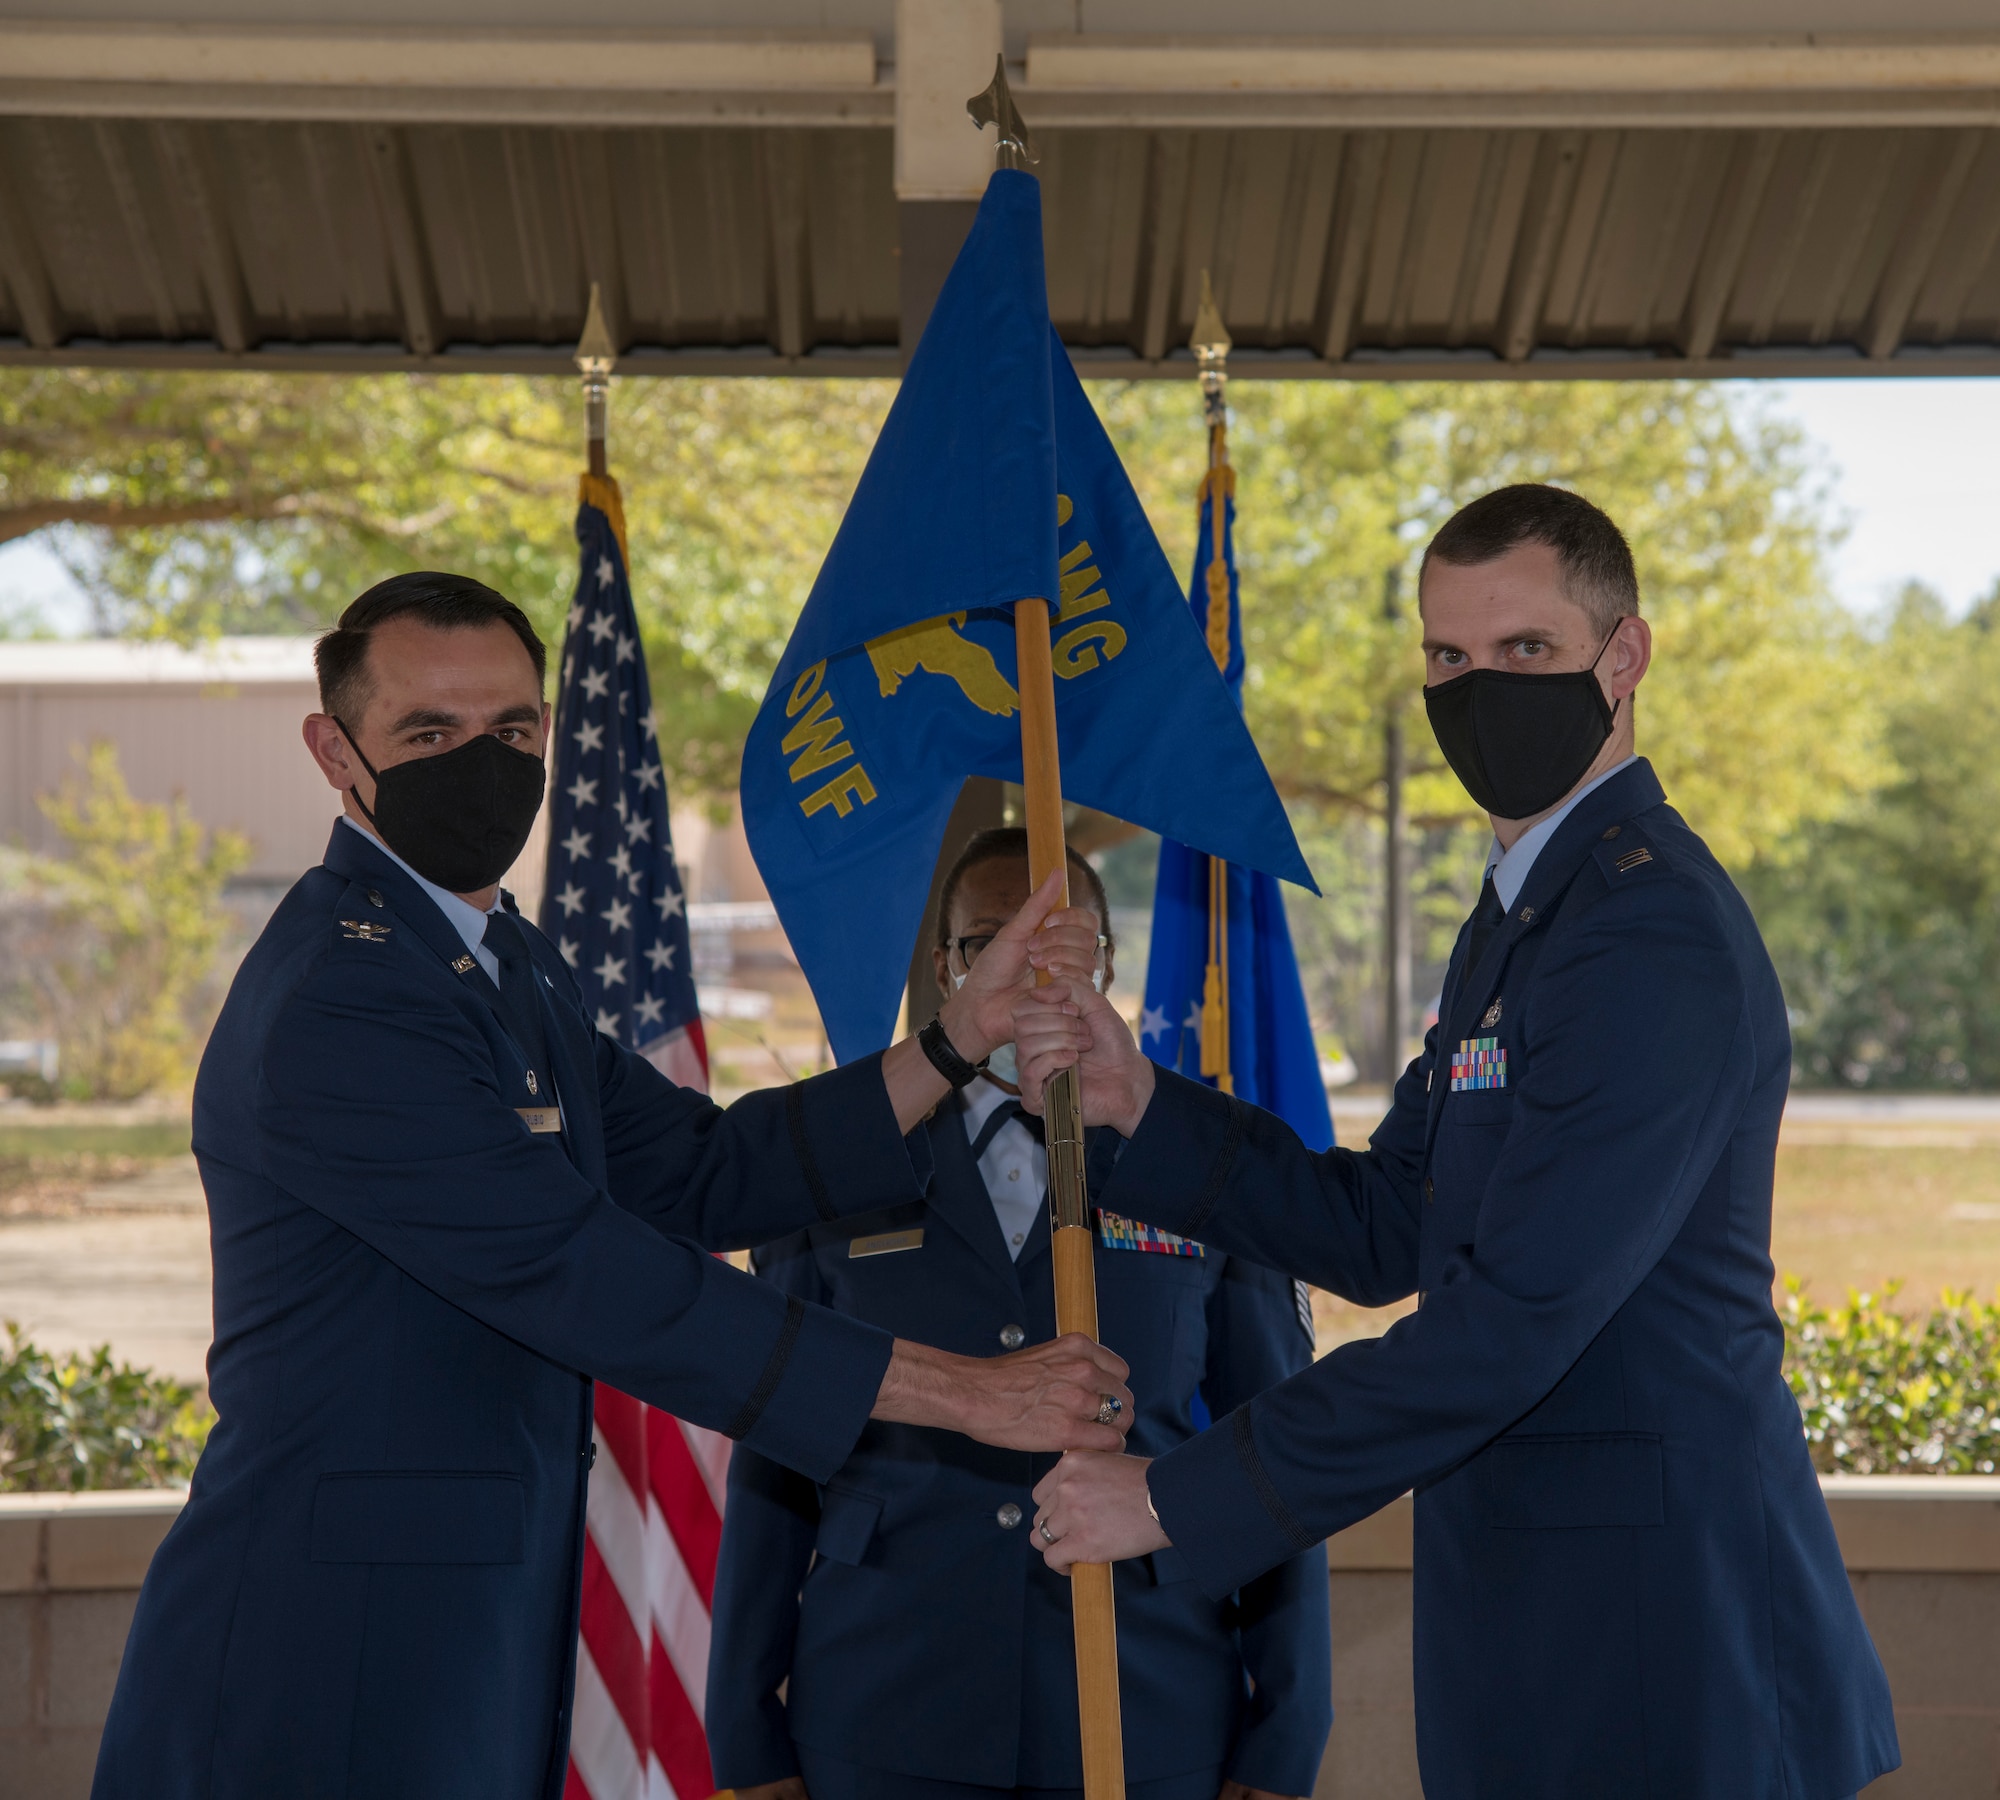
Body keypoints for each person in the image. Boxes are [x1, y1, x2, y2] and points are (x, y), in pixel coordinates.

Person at [91, 574, 1129, 1800]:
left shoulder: (500, 964)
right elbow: (583, 1274)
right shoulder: (342, 995)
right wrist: (963, 1394)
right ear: (335, 749)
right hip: (327, 1641)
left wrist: (954, 1037)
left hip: (477, 1612)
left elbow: (697, 1168)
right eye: (429, 734)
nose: (481, 765)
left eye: (514, 732)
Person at [1015, 487, 1901, 1799]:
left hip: (1659, 1642)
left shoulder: (1643, 934)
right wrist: (1141, 1102)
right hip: (1538, 1620)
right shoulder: (1525, 922)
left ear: (1625, 657)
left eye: (1526, 651)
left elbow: (1515, 1318)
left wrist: (1174, 1496)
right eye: (1449, 657)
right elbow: (1388, 1224)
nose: (1479, 690)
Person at [706, 829, 1332, 1800]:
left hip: (1143, 1706)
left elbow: (1273, 1455)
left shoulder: (1201, 1168)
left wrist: (1286, 1736)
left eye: (1057, 948)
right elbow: (775, 1447)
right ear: (945, 964)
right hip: (882, 1709)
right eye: (987, 941)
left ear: (1104, 967)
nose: (1022, 970)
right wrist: (745, 1733)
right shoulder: (840, 1163)